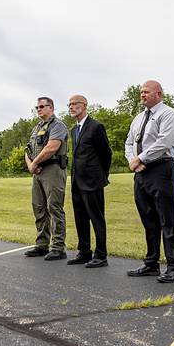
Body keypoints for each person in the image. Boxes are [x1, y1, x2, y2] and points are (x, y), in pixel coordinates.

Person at [125, 80, 174, 283]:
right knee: (148, 219)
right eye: (141, 91)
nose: (142, 95)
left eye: (146, 92)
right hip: (140, 172)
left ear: (158, 93)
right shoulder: (138, 118)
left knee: (167, 219)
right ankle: (151, 263)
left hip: (161, 169)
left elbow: (164, 142)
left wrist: (141, 158)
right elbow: (129, 142)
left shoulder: (168, 114)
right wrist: (133, 161)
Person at [67, 95, 112, 268]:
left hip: (92, 181)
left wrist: (102, 175)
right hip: (77, 182)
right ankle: (84, 252)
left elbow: (106, 154)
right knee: (80, 218)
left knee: (96, 218)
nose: (72, 107)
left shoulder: (95, 127)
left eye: (75, 104)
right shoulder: (74, 130)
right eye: (69, 104)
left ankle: (101, 255)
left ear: (85, 106)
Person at [24, 96, 69, 261]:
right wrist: (31, 165)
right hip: (37, 172)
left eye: (42, 106)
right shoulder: (36, 128)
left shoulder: (58, 125)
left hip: (53, 170)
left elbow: (52, 147)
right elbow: (27, 150)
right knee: (39, 207)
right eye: (37, 107)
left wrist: (34, 162)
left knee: (54, 207)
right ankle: (42, 245)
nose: (39, 109)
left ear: (51, 108)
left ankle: (58, 247)